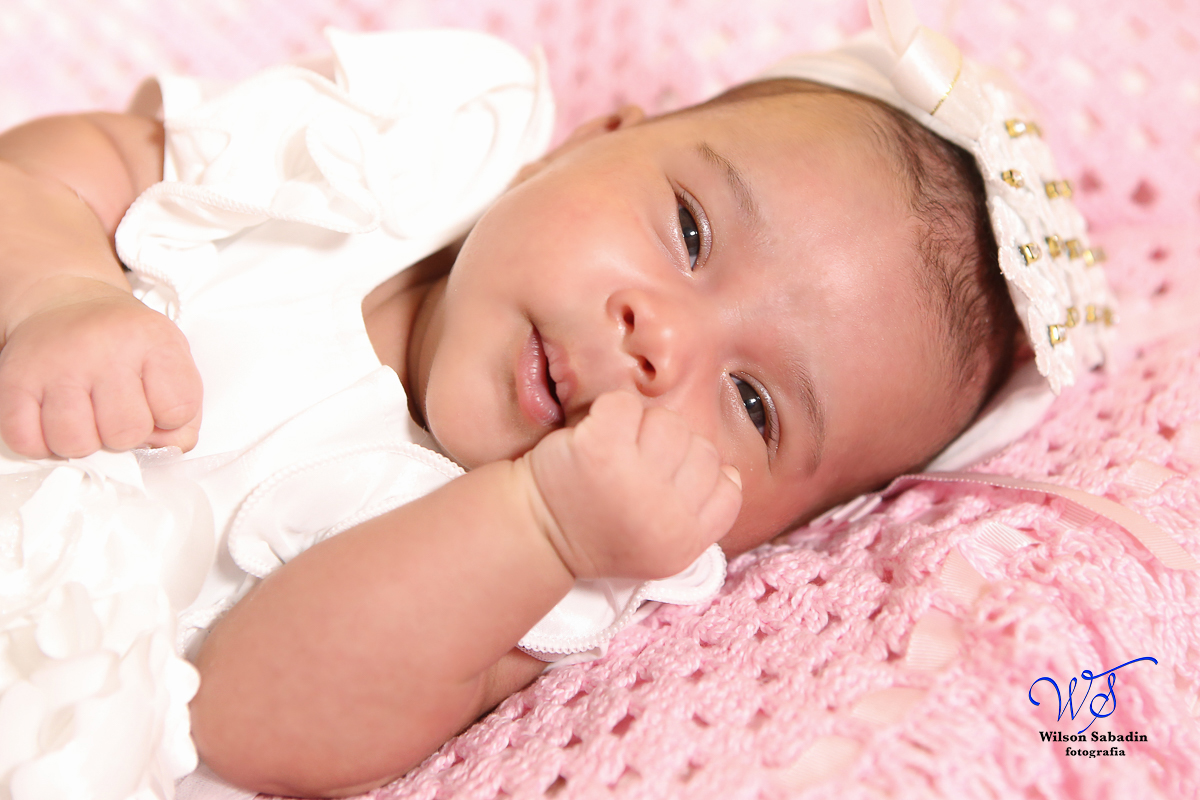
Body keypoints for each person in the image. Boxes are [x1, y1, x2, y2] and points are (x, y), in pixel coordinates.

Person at [0, 3, 1112, 797]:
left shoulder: (548, 580)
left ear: (767, 528)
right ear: (584, 146)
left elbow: (245, 716)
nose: (661, 342)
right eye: (687, 230)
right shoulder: (389, 160)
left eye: (755, 403)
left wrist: (542, 522)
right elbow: (58, 165)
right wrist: (58, 285)